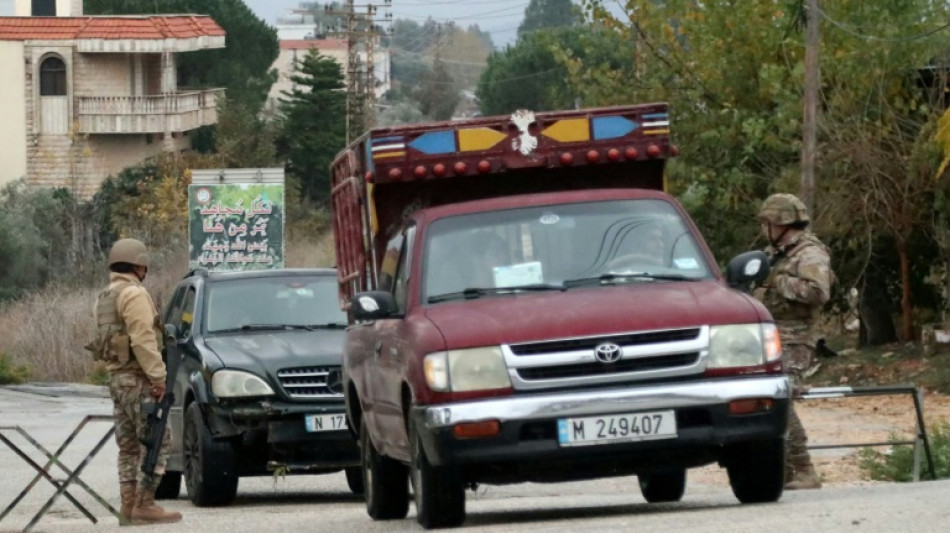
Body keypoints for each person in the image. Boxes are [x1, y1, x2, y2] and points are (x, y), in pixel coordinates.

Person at [89, 239, 182, 525]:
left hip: (116, 377)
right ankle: (145, 503)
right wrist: (158, 377)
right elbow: (143, 339)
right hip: (138, 377)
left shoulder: (105, 295)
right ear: (140, 265)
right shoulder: (133, 293)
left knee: (128, 445)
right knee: (159, 438)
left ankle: (128, 508)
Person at [753, 193, 833, 491]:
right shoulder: (775, 253)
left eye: (767, 223)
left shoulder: (809, 254)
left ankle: (804, 468)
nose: (764, 230)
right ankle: (784, 471)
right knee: (763, 397)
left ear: (781, 223)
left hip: (797, 337)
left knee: (780, 396)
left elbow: (818, 292)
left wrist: (778, 281)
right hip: (769, 336)